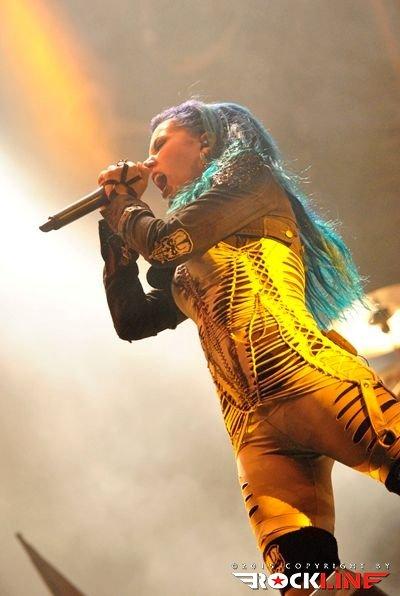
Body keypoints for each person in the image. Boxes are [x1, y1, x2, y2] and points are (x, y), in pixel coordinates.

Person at [97, 100, 400, 595]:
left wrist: (122, 205)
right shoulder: (190, 255)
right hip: (253, 431)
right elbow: (132, 321)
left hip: (309, 379)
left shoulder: (248, 177)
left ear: (204, 141)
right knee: (309, 583)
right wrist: (112, 230)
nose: (149, 162)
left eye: (160, 145)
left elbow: (165, 240)